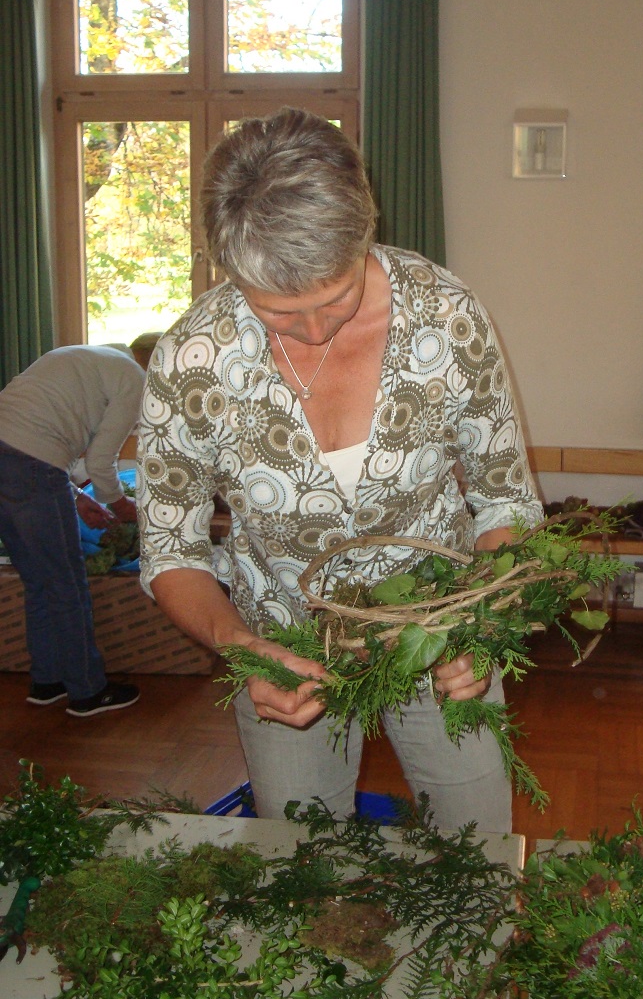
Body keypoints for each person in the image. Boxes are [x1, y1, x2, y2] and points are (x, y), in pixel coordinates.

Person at [136, 107, 544, 831]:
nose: (316, 332)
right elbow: (171, 549)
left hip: (443, 630)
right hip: (283, 639)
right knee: (301, 855)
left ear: (365, 233)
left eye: (336, 300)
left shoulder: (447, 319)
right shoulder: (192, 358)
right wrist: (244, 650)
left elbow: (506, 502)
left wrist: (479, 625)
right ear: (225, 273)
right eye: (278, 315)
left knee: (477, 842)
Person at [0, 338, 158, 716]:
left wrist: (79, 498)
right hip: (32, 465)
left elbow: (34, 441)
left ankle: (48, 680)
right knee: (67, 586)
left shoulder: (91, 358)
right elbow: (101, 461)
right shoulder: (135, 381)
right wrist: (124, 508)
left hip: (12, 457)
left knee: (41, 582)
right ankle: (87, 690)